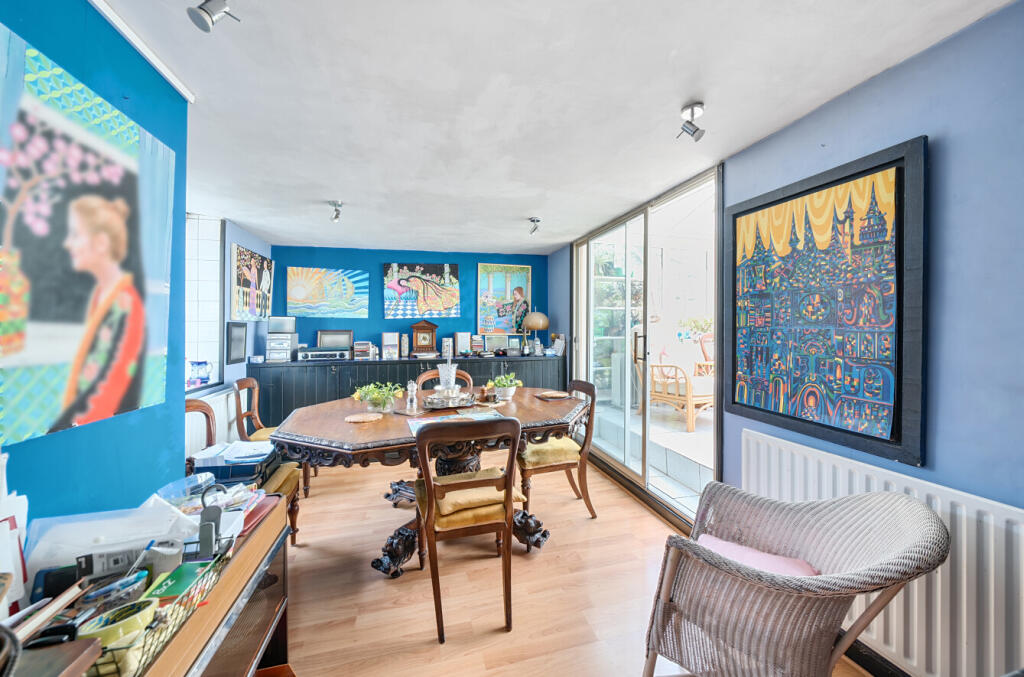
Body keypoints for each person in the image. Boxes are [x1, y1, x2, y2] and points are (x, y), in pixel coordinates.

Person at [51, 195, 145, 432]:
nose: (68, 243)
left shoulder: (124, 302)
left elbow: (114, 380)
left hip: (102, 429)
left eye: (75, 234)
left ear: (101, 243)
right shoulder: (101, 295)